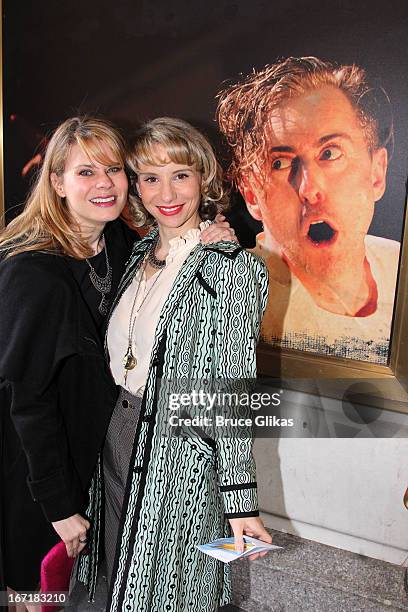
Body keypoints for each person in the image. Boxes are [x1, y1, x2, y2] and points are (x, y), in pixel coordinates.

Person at [0, 115, 234, 606]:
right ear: (58, 182)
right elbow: (28, 404)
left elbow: (191, 227)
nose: (104, 183)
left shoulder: (121, 245)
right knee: (38, 597)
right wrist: (60, 507)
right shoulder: (34, 273)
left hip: (99, 458)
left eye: (114, 168)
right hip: (39, 477)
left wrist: (218, 236)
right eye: (86, 172)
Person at [75, 117, 272, 611]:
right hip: (115, 441)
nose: (167, 191)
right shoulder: (138, 252)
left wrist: (240, 497)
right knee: (115, 575)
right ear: (136, 186)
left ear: (203, 178)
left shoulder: (226, 267)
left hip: (177, 459)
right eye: (151, 177)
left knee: (164, 593)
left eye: (181, 174)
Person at [216, 56, 400, 364]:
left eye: (330, 153)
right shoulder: (231, 307)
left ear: (376, 174)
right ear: (251, 194)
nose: (309, 189)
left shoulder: (400, 267)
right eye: (281, 163)